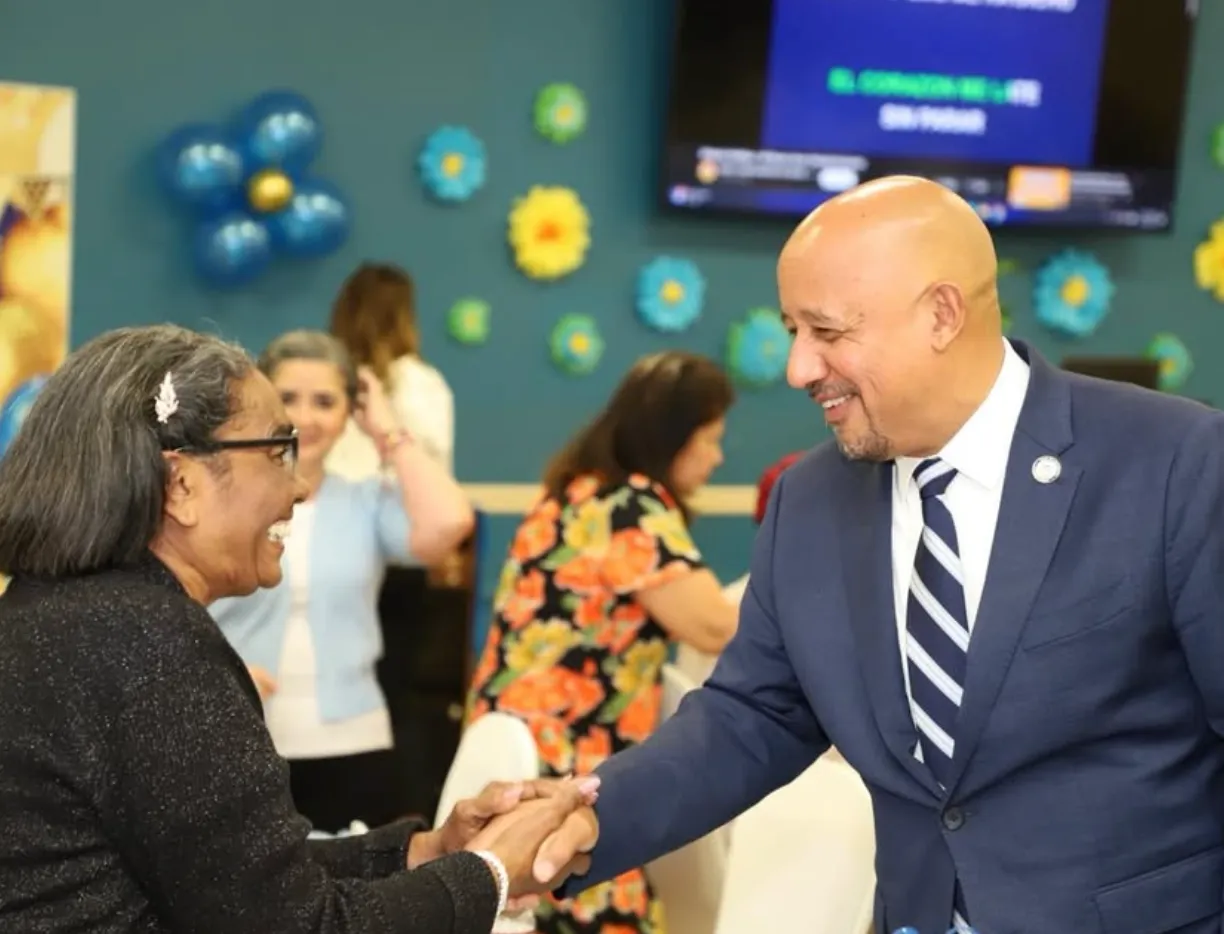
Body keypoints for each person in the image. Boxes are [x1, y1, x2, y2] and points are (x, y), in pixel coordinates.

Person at [524, 176, 1224, 934]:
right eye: (792, 330)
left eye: (826, 333)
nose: (797, 368)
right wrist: (592, 819)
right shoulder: (809, 499)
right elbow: (752, 715)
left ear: (942, 315)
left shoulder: (1174, 461)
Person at [0, 324, 589, 933]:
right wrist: (492, 871)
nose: (299, 485)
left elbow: (233, 876)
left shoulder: (66, 612)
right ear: (181, 485)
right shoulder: (149, 644)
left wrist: (427, 853)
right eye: (279, 450)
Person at [467, 350, 741, 934]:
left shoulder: (575, 493)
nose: (718, 457)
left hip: (515, 740)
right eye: (711, 439)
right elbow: (714, 627)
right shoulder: (627, 506)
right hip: (566, 756)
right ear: (673, 437)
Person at [209, 330, 473, 832]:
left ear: (349, 411)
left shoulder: (366, 502)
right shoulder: (215, 498)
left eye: (325, 401)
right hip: (238, 733)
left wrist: (387, 430)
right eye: (288, 397)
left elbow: (450, 523)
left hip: (352, 740)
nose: (305, 417)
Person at [327, 261, 455, 478]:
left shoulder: (327, 378)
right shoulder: (421, 382)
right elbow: (436, 460)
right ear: (404, 317)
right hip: (403, 502)